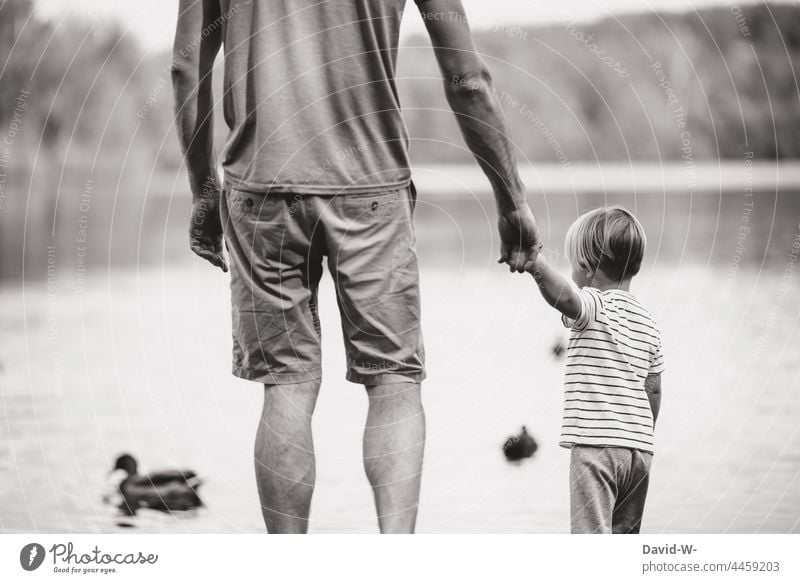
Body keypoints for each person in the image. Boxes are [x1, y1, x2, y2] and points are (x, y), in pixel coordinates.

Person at [172, 0, 540, 533]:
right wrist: (510, 198)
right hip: (371, 186)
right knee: (394, 384)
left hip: (262, 187)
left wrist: (203, 192)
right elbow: (467, 79)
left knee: (287, 385)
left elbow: (187, 67)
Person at [524, 206, 664, 534]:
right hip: (639, 453)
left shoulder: (594, 305)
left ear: (586, 267)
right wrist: (640, 434)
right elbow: (653, 388)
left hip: (596, 448)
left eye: (574, 264)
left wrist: (535, 265)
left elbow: (566, 298)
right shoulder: (648, 322)